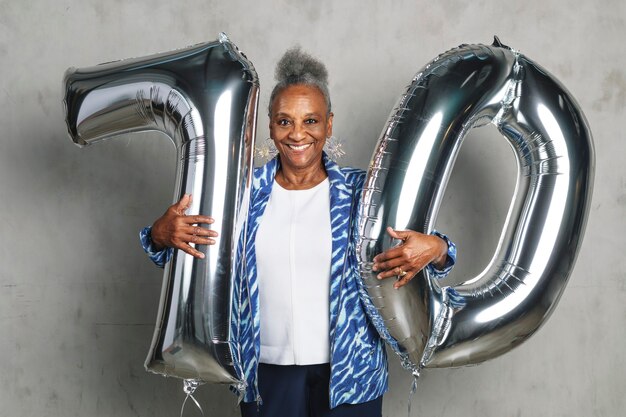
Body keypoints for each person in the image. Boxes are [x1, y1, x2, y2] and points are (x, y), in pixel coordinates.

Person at [140, 47, 456, 417]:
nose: (297, 134)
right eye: (284, 121)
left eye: (311, 121)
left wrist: (435, 248)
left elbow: (434, 249)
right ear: (270, 125)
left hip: (350, 374)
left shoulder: (361, 191)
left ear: (329, 124)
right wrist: (160, 235)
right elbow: (189, 256)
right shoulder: (240, 194)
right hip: (265, 375)